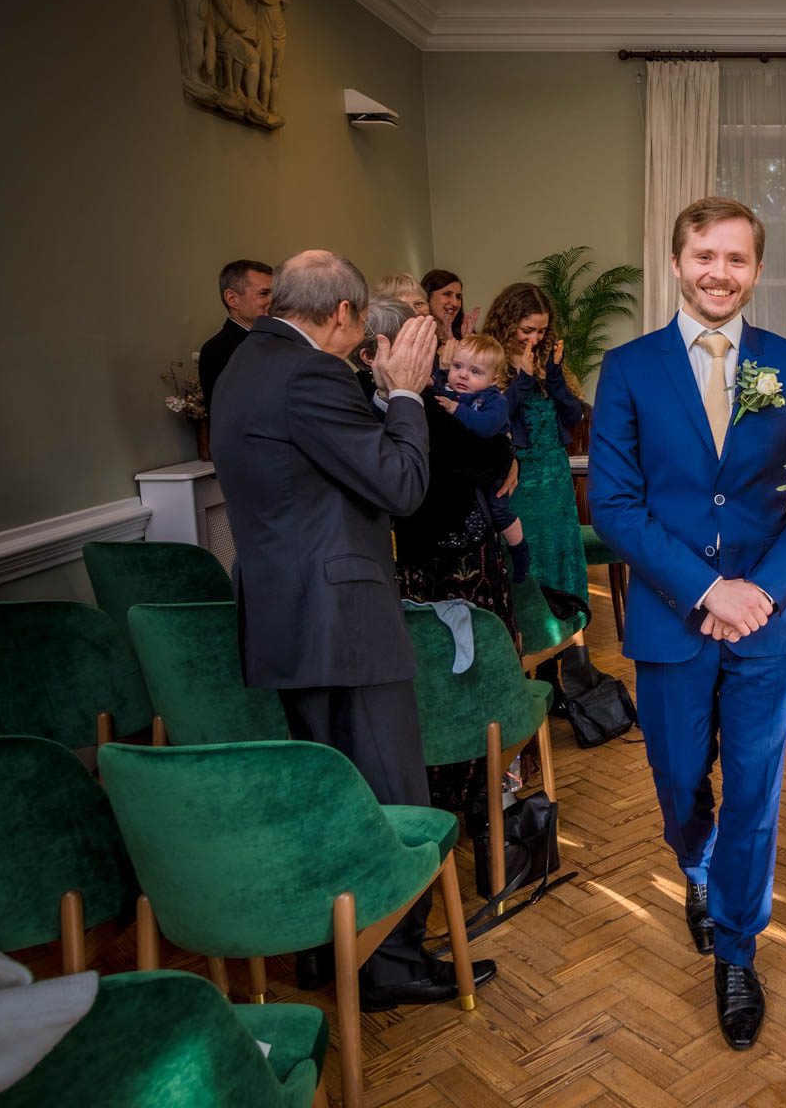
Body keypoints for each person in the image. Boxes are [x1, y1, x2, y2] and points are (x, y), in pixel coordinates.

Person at [210, 249, 497, 1011]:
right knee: (386, 791)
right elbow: (400, 485)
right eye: (357, 321)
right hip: (342, 615)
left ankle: (325, 951)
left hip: (283, 612)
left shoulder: (243, 364)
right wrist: (403, 394)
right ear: (341, 313)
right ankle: (394, 958)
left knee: (324, 795)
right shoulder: (311, 374)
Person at [589, 197, 786, 1051]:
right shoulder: (627, 369)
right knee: (678, 778)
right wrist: (707, 591)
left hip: (770, 624)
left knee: (757, 796)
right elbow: (616, 508)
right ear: (677, 261)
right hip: (672, 620)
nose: (719, 273)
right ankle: (695, 868)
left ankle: (738, 947)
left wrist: (758, 593)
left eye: (736, 259)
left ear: (757, 271)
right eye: (704, 256)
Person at [480, 284, 589, 605]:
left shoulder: (546, 359)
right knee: (528, 553)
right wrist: (523, 379)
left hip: (554, 476)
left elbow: (573, 417)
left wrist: (553, 377)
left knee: (560, 550)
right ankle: (535, 639)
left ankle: (571, 638)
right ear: (507, 321)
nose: (535, 339)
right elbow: (491, 421)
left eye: (542, 331)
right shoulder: (490, 360)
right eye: (527, 330)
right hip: (518, 478)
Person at [431, 333, 532, 582]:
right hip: (464, 473)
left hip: (494, 467)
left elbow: (487, 427)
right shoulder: (446, 389)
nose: (463, 375)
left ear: (493, 379)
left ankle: (520, 552)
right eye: (458, 367)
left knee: (498, 510)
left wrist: (457, 410)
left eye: (475, 372)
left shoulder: (494, 400)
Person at [197, 259, 271, 416]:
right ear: (232, 299)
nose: (274, 301)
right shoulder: (217, 350)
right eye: (264, 293)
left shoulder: (278, 339)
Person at [422, 268, 464, 345]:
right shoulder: (417, 340)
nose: (455, 303)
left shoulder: (465, 336)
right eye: (447, 294)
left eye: (458, 297)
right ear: (427, 296)